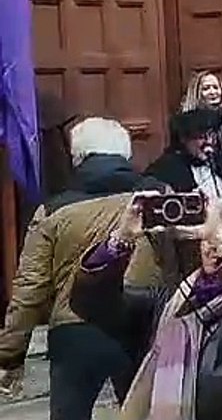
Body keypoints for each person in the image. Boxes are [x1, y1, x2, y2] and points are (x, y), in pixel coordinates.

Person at [71, 197, 222, 420]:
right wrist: (121, 239)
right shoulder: (171, 304)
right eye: (209, 234)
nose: (213, 244)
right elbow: (94, 305)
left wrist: (217, 235)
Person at [0, 119, 165, 420]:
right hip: (142, 325)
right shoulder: (159, 200)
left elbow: (30, 288)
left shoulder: (53, 211)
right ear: (125, 155)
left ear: (78, 157)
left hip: (74, 332)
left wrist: (10, 355)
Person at [146, 108, 222, 203]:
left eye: (212, 136)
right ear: (184, 138)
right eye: (202, 137)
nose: (209, 142)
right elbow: (144, 184)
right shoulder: (168, 166)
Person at [180, 71, 222, 193]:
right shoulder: (186, 121)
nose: (213, 92)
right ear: (197, 93)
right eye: (206, 88)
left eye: (216, 87)